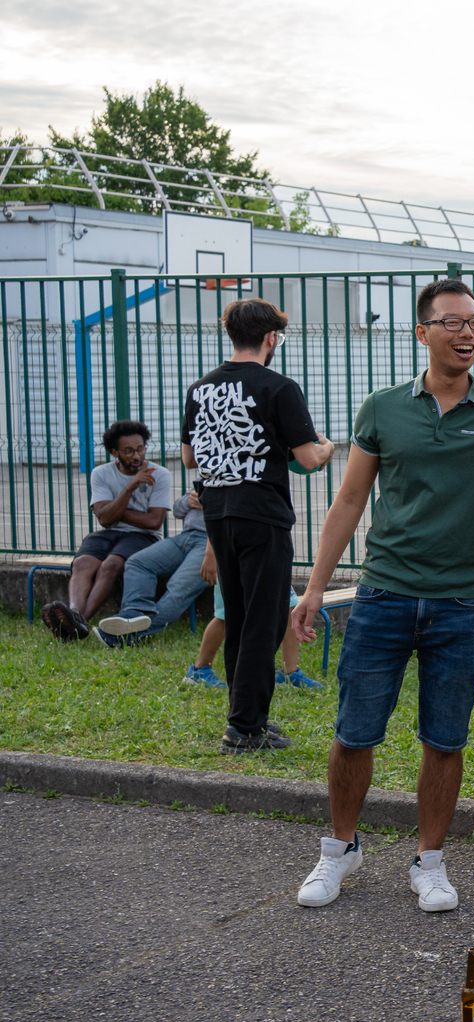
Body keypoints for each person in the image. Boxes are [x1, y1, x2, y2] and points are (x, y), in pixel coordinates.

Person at [287, 279, 474, 914]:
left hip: (461, 604)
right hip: (384, 595)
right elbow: (349, 499)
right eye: (453, 322)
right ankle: (339, 849)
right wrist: (315, 587)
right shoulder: (383, 408)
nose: (467, 333)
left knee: (445, 741)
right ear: (422, 332)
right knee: (354, 733)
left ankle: (430, 861)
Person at [182, 299, 334, 754]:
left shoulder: (200, 388)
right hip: (262, 515)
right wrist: (326, 448)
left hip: (218, 513)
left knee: (240, 617)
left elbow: (190, 458)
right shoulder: (279, 387)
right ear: (271, 338)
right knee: (264, 623)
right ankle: (245, 728)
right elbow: (308, 457)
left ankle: (244, 718)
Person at [42, 420, 171, 641]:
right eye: (128, 451)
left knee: (111, 564)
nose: (136, 456)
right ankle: (74, 613)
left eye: (140, 449)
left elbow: (153, 522)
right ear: (114, 452)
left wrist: (111, 509)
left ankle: (77, 623)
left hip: (144, 536)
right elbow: (104, 521)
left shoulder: (160, 474)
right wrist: (129, 487)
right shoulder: (101, 473)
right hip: (108, 534)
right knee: (82, 563)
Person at [92, 486, 207, 647]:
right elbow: (177, 511)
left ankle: (126, 636)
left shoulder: (237, 481)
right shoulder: (208, 476)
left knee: (178, 587)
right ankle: (133, 612)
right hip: (186, 537)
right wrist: (188, 501)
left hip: (212, 542)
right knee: (137, 563)